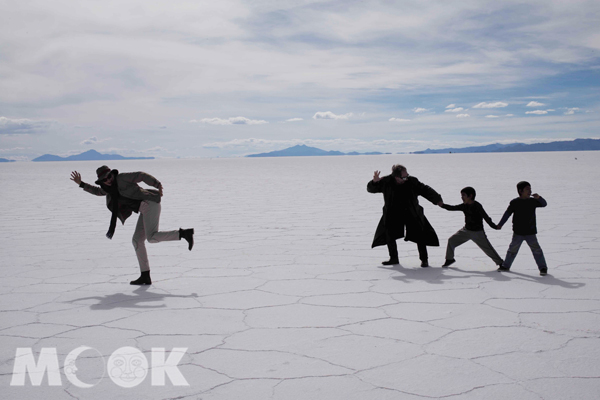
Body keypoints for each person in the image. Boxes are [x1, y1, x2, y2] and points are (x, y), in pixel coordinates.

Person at [70, 166, 194, 285]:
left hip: (150, 203)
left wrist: (157, 184)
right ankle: (145, 275)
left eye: (108, 177)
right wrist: (81, 184)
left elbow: (140, 175)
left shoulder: (122, 178)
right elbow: (97, 191)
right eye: (104, 180)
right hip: (144, 209)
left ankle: (183, 234)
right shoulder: (107, 189)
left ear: (112, 174)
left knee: (151, 237)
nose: (107, 180)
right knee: (137, 240)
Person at [367, 164, 443, 267]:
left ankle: (424, 259)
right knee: (389, 235)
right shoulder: (386, 181)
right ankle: (394, 258)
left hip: (412, 212)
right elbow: (371, 189)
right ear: (396, 177)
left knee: (420, 235)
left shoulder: (412, 181)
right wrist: (374, 182)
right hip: (393, 213)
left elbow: (425, 189)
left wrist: (437, 199)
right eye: (404, 177)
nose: (407, 178)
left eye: (407, 175)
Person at [439, 187, 504, 268]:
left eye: (463, 195)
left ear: (470, 196)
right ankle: (449, 259)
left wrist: (494, 226)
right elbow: (452, 208)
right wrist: (442, 205)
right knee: (451, 240)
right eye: (461, 195)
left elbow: (486, 217)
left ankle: (501, 263)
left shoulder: (477, 206)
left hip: (478, 233)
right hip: (466, 231)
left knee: (488, 249)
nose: (462, 197)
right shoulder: (464, 206)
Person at [497, 181, 548, 276]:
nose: (530, 191)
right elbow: (507, 214)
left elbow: (544, 204)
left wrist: (539, 198)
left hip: (530, 232)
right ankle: (506, 266)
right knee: (512, 250)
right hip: (518, 232)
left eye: (530, 189)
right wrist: (500, 224)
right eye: (527, 189)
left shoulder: (533, 201)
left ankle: (543, 268)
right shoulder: (515, 202)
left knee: (537, 250)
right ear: (520, 191)